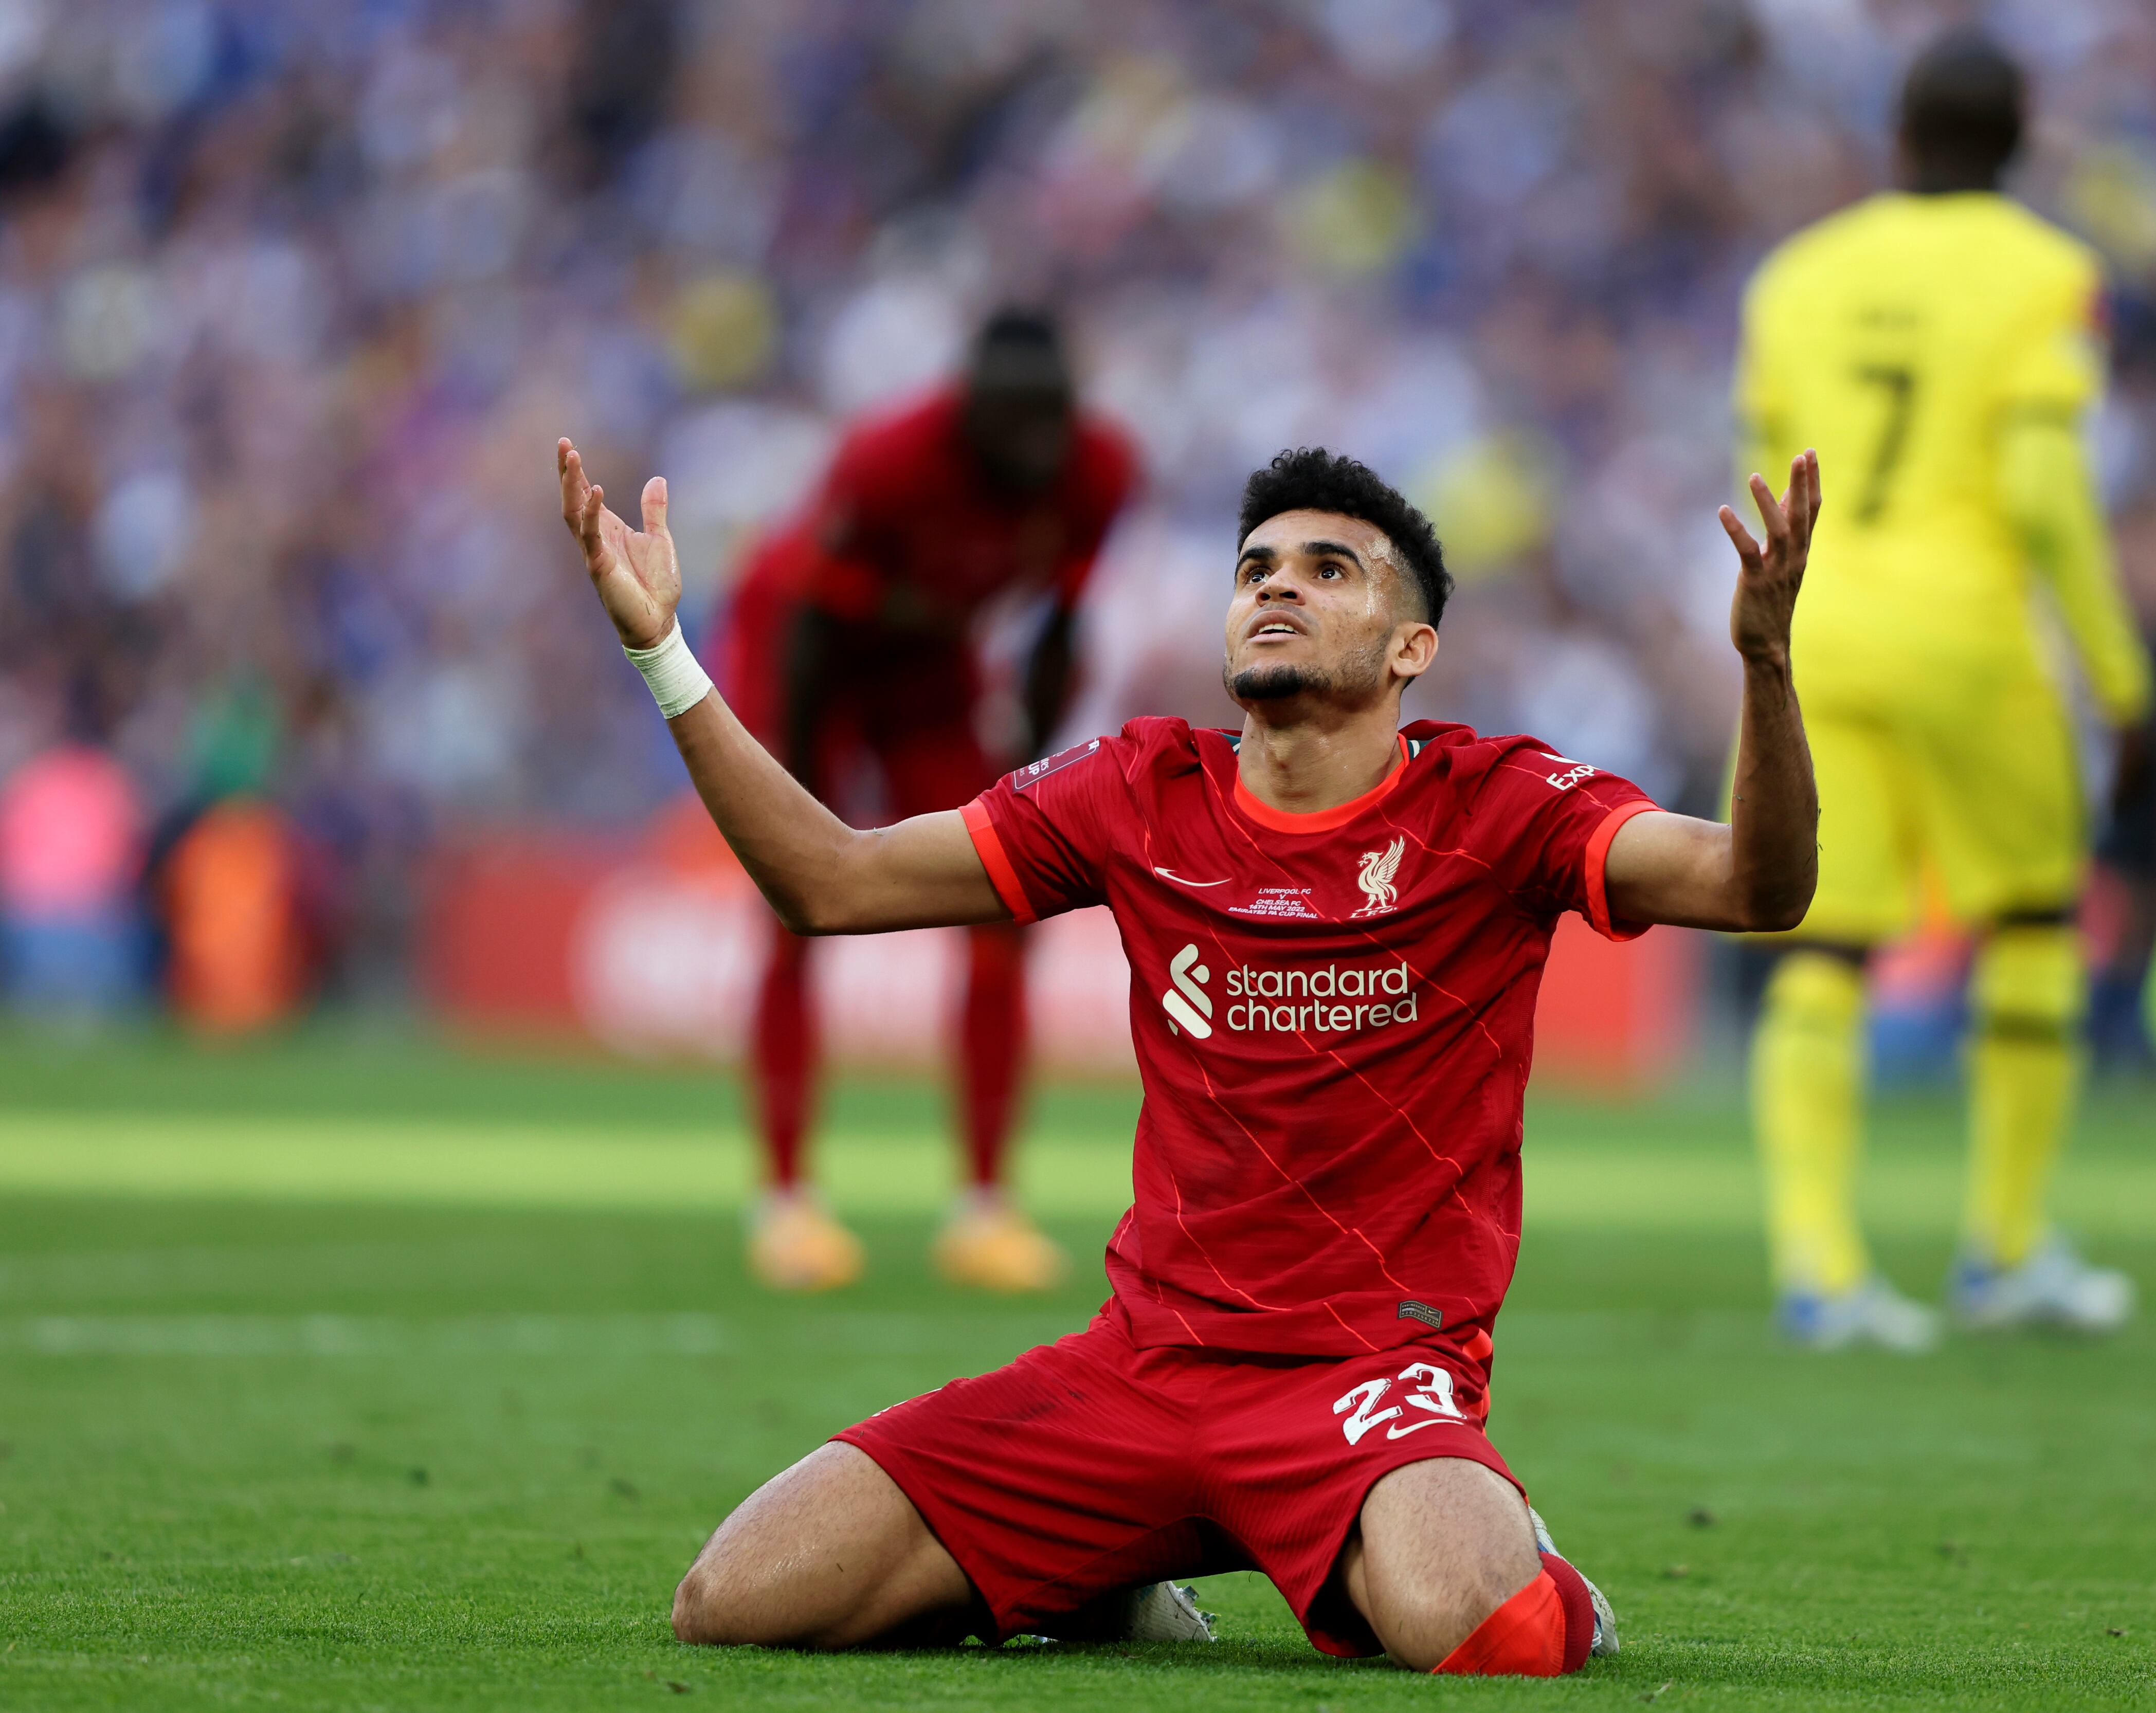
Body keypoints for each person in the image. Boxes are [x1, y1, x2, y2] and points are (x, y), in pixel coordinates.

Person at [552, 430, 1822, 1674]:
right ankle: (1108, 1578)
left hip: (1371, 1375)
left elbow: (1756, 887)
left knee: (1489, 1630)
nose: (1277, 586)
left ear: (1410, 648)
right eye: (1255, 567)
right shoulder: (1136, 788)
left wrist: (1764, 666)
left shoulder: (1498, 805)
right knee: (736, 1597)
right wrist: (662, 649)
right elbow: (828, 880)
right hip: (1145, 1372)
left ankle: (1510, 1554)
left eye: (1328, 570)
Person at [1731, 29, 2153, 1351]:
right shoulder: (2048, 273)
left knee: (1824, 947)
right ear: (2020, 141)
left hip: (1826, 633)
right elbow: (2040, 487)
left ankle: (1820, 1269)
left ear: (1896, 136)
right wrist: (2120, 677)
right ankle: (2006, 1251)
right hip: (1971, 637)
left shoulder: (1796, 276)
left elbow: (1760, 470)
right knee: (2032, 918)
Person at [717, 310, 1137, 1293]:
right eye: (1016, 424)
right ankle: (785, 1201)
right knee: (795, 907)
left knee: (1005, 899)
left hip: (930, 665)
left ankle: (984, 1208)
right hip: (810, 650)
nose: (1036, 446)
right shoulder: (889, 460)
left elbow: (1060, 631)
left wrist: (1030, 780)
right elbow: (812, 625)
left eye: (1051, 423)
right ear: (969, 413)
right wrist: (800, 800)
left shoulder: (1100, 470)